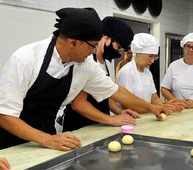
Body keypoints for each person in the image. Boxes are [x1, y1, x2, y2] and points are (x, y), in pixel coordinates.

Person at [0, 7, 167, 151]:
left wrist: (151, 107)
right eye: (93, 46)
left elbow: (116, 92)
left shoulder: (85, 66)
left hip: (48, 138)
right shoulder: (26, 59)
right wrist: (47, 139)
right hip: (12, 142)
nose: (94, 51)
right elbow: (5, 115)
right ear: (73, 42)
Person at [62, 16, 140, 132]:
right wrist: (110, 119)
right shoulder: (85, 62)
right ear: (106, 38)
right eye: (118, 47)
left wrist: (119, 112)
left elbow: (103, 93)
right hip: (80, 127)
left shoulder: (104, 63)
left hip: (99, 125)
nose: (119, 53)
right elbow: (79, 104)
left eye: (122, 50)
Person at [116, 33, 183, 113]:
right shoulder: (127, 72)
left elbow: (154, 98)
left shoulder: (147, 72)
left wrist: (164, 106)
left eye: (155, 57)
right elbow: (127, 105)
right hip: (129, 120)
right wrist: (153, 109)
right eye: (150, 56)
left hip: (145, 117)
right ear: (139, 53)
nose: (152, 61)